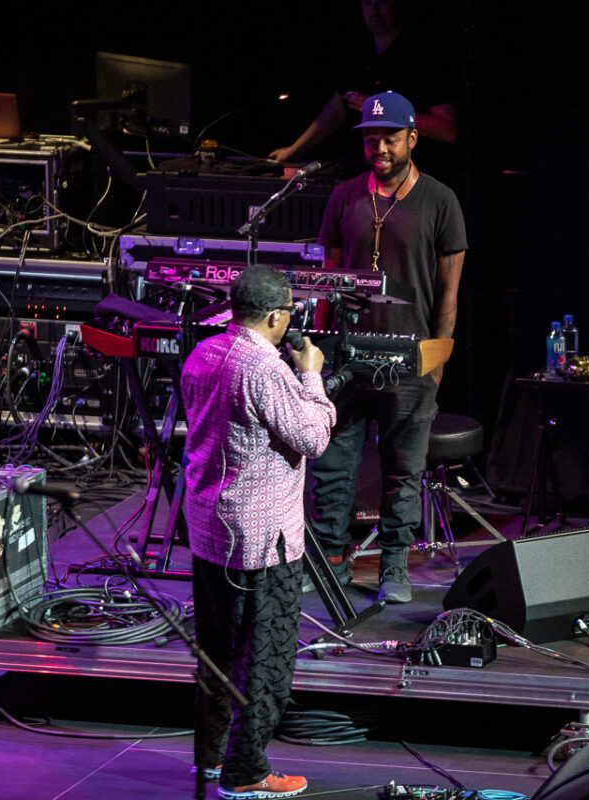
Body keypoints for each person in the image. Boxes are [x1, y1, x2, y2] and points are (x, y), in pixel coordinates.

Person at [181, 265, 336, 799]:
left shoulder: (202, 353)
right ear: (276, 316)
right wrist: (311, 375)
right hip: (260, 539)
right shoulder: (263, 368)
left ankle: (209, 759)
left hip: (208, 531)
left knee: (215, 652)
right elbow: (314, 437)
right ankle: (246, 772)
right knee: (265, 658)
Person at [309, 89, 466, 604]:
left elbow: (449, 292)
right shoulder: (344, 196)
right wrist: (323, 352)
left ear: (412, 138)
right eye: (371, 137)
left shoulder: (441, 201)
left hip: (411, 358)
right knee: (332, 465)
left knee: (403, 469)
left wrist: (438, 358)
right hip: (347, 355)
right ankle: (330, 558)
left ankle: (394, 566)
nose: (379, 147)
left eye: (390, 137)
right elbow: (330, 280)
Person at [270, 0, 461, 180]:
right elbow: (336, 110)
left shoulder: (424, 58)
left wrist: (388, 112)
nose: (374, 9)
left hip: (409, 181)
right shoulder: (358, 52)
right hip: (359, 175)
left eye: (381, 2)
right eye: (368, 3)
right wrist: (293, 151)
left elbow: (447, 129)